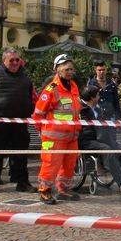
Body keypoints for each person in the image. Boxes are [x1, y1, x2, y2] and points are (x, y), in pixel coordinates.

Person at [78, 86, 121, 195]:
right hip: (87, 141)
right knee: (108, 150)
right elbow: (87, 130)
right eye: (97, 95)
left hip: (101, 137)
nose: (99, 97)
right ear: (92, 98)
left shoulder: (97, 108)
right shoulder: (81, 110)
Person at [33, 54, 82, 204]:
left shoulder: (73, 85)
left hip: (71, 135)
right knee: (50, 164)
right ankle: (45, 190)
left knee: (69, 164)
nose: (70, 72)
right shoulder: (51, 89)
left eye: (71, 69)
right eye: (67, 69)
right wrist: (41, 131)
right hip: (53, 136)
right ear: (58, 70)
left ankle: (63, 189)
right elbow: (38, 113)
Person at [0, 48, 37, 194]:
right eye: (12, 60)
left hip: (20, 123)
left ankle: (22, 182)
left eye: (17, 60)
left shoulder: (25, 77)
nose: (15, 63)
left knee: (20, 154)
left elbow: (29, 97)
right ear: (4, 61)